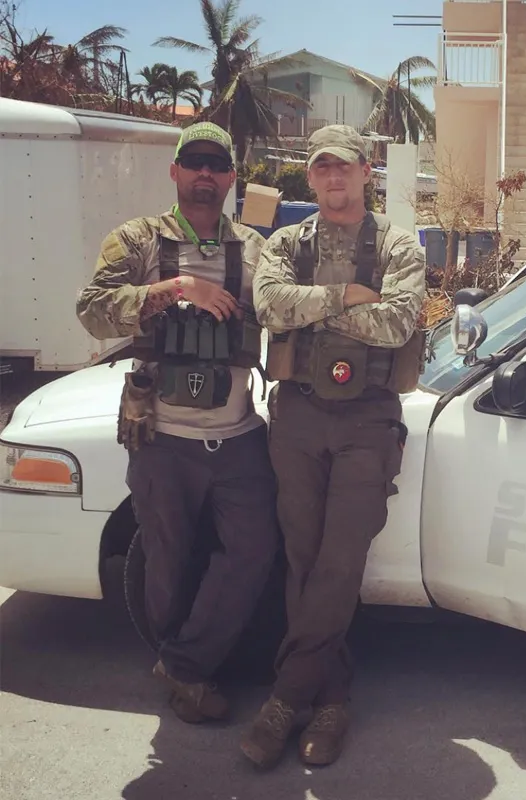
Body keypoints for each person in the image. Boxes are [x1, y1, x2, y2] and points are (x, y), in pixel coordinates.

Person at [76, 121, 280, 724]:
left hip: (239, 432)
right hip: (163, 437)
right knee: (166, 558)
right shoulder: (139, 240)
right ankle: (186, 674)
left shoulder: (256, 247)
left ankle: (184, 663)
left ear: (231, 178)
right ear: (175, 171)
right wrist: (173, 288)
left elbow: (285, 304)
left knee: (253, 549)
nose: (205, 173)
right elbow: (92, 310)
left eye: (218, 163)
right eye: (194, 161)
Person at [239, 124, 427, 769]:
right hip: (296, 415)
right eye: (321, 168)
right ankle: (332, 699)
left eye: (343, 167)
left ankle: (287, 697)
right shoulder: (286, 242)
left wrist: (311, 308)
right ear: (311, 176)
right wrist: (345, 296)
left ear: (365, 171)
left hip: (367, 420)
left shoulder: (398, 244)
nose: (333, 178)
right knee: (303, 556)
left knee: (341, 560)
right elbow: (268, 305)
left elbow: (400, 319)